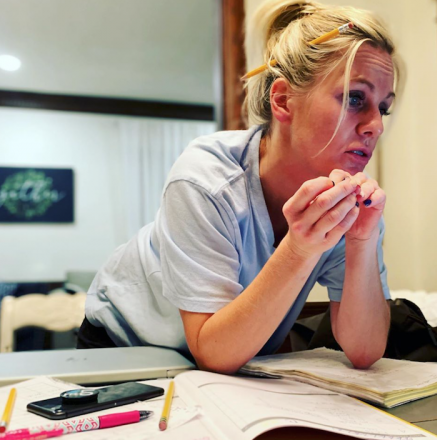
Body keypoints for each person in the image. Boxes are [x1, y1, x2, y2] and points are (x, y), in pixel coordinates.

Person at [79, 0, 402, 374]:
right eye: (355, 98)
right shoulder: (206, 179)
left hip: (229, 357)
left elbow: (365, 351)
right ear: (283, 100)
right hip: (124, 343)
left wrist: (362, 241)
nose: (376, 126)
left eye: (384, 108)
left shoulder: (352, 205)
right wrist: (299, 249)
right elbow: (213, 351)